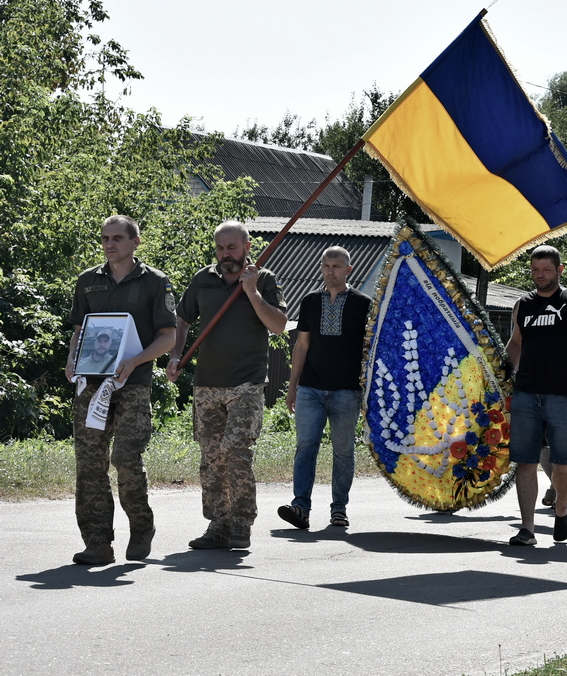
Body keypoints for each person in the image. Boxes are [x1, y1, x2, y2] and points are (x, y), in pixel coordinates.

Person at [168, 220, 287, 550]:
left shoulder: (263, 279)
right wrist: (176, 355)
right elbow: (182, 317)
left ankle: (241, 522)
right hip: (206, 383)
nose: (225, 254)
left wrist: (252, 294)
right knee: (211, 457)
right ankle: (218, 524)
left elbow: (278, 325)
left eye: (232, 247)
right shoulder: (203, 280)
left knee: (236, 450)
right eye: (220, 248)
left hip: (246, 383)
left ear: (247, 247)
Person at [65, 215, 177, 566]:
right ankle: (98, 543)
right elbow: (79, 330)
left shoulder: (155, 282)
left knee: (125, 459)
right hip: (91, 384)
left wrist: (136, 360)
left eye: (117, 238)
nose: (109, 244)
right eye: (105, 238)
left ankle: (142, 525)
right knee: (89, 463)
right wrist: (71, 359)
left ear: (135, 242)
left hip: (133, 384)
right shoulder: (88, 281)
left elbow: (168, 337)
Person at [504, 245, 567, 546]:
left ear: (559, 270)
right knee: (525, 461)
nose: (539, 276)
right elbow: (515, 345)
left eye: (546, 270)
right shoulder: (523, 305)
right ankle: (528, 528)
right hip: (525, 394)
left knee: (563, 464)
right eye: (535, 270)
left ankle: (561, 506)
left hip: (563, 395)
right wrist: (497, 374)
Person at [276, 246, 372, 531]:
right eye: (326, 266)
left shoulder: (363, 304)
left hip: (347, 391)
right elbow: (301, 345)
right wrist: (292, 387)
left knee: (343, 451)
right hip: (310, 389)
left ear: (348, 270)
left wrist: (367, 393)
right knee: (306, 447)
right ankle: (300, 507)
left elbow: (370, 350)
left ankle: (339, 509)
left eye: (336, 266)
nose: (330, 271)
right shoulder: (309, 301)